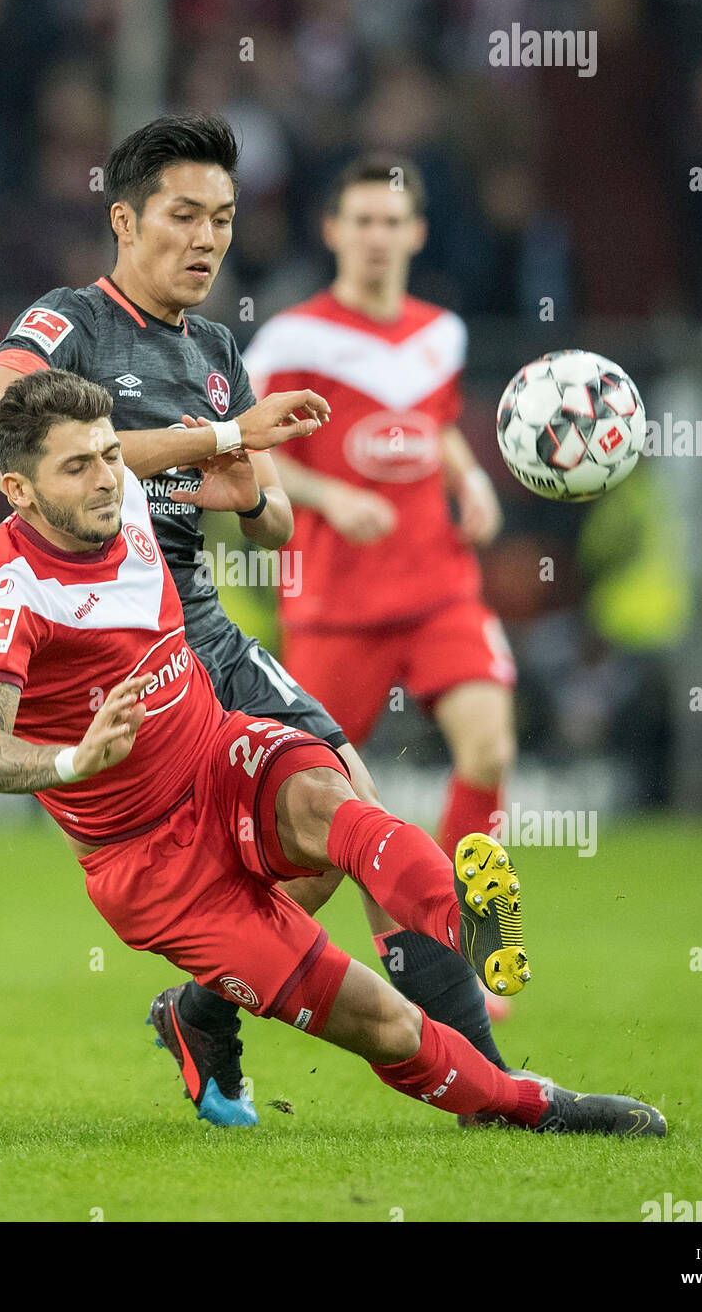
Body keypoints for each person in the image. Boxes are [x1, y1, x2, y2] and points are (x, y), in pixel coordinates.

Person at [0, 113, 518, 1126]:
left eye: (221, 218)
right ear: (123, 222)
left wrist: (246, 483)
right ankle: (467, 1077)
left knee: (341, 824)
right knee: (319, 827)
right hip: (120, 650)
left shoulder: (220, 347)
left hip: (206, 630)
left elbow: (263, 520)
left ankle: (211, 1012)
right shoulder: (65, 325)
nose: (206, 239)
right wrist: (208, 440)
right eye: (183, 216)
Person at [0, 369, 667, 1139]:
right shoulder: (8, 592)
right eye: (77, 466)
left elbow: (225, 491)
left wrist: (242, 462)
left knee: (337, 804)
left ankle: (469, 926)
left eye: (108, 455)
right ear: (19, 491)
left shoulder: (120, 487)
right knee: (381, 1023)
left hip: (217, 755)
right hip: (151, 864)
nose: (106, 479)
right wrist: (72, 762)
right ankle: (517, 1104)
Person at [242, 155, 517, 897]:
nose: (376, 236)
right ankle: (219, 991)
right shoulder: (289, 341)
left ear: (417, 233)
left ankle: (469, 932)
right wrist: (329, 497)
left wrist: (469, 479)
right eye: (361, 221)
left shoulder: (442, 334)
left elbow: (433, 425)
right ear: (331, 230)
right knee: (316, 838)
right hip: (336, 605)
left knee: (488, 748)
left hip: (438, 585)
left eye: (391, 222)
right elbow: (250, 454)